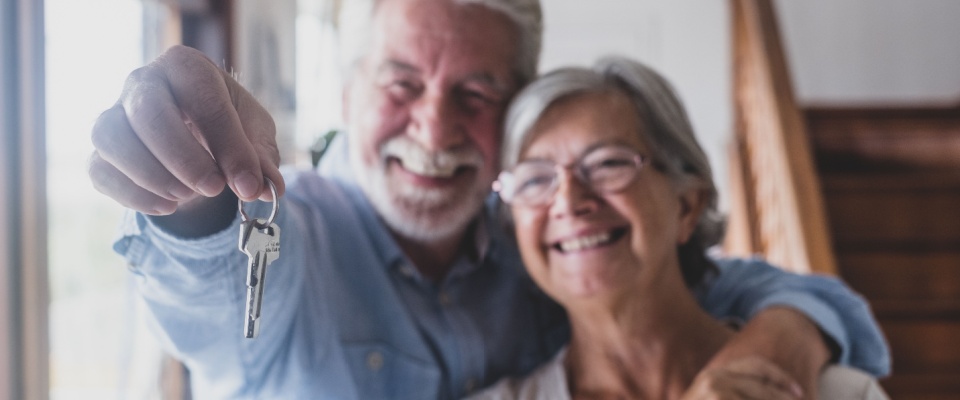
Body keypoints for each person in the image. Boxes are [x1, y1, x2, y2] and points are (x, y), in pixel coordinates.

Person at [88, 0, 889, 398]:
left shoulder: (540, 229)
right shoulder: (296, 233)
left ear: (517, 111)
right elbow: (212, 283)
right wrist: (191, 199)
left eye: (476, 90)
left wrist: (778, 347)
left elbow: (710, 281)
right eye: (401, 82)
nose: (434, 125)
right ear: (349, 90)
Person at [467, 56, 888, 400]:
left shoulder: (837, 394)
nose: (570, 202)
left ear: (688, 205)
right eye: (536, 179)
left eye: (608, 163)